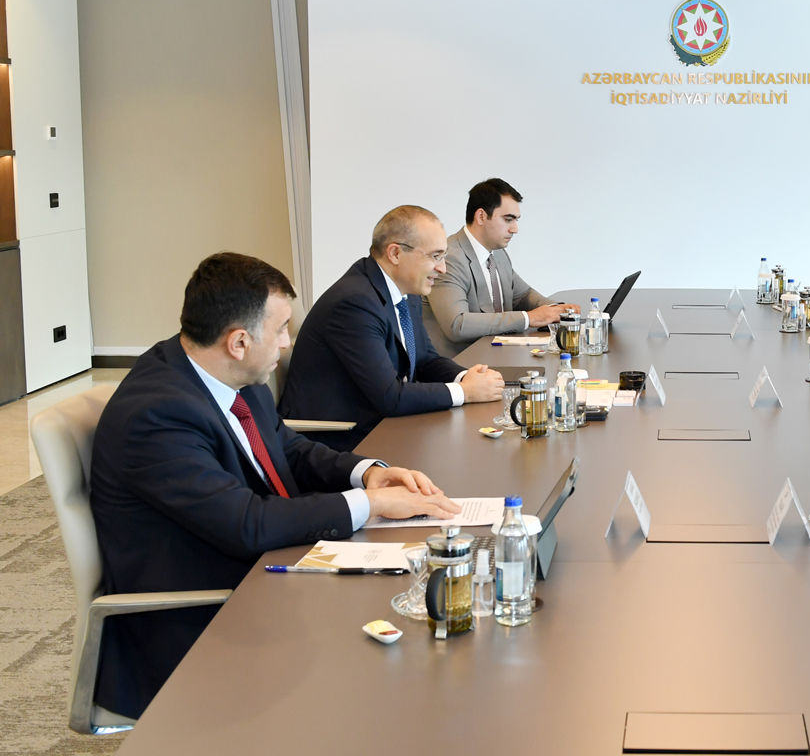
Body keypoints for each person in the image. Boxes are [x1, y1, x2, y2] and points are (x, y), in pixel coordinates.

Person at [89, 253, 461, 719]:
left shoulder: (225, 372)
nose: (288, 343)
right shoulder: (157, 416)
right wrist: (369, 503)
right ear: (239, 341)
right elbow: (247, 524)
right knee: (388, 669)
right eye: (282, 329)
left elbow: (287, 448)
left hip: (262, 571)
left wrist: (366, 473)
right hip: (201, 621)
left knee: (411, 605)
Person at [278, 205, 503, 450]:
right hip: (337, 439)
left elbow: (425, 360)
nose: (442, 268)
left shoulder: (407, 290)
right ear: (395, 253)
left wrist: (466, 377)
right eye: (435, 256)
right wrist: (465, 392)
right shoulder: (354, 303)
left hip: (380, 421)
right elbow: (390, 396)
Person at [424, 178, 580, 355]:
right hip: (461, 363)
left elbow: (523, 295)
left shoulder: (497, 253)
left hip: (497, 355)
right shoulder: (450, 257)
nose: (515, 229)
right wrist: (528, 318)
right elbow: (457, 325)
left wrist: (556, 311)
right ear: (481, 216)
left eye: (516, 220)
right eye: (508, 219)